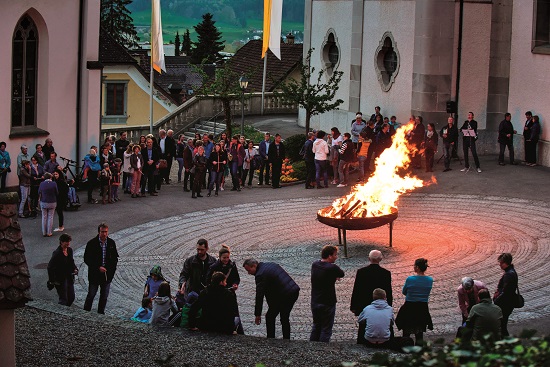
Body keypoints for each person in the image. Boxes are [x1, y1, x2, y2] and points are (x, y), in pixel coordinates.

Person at [243, 258, 300, 339]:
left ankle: (271, 339)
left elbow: (259, 295)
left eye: (248, 270)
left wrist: (258, 314)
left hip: (285, 295)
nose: (248, 273)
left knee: (270, 317)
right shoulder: (270, 264)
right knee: (284, 317)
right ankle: (286, 339)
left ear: (254, 266)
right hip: (292, 291)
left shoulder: (260, 275)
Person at [350, 250, 393, 344]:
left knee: (363, 325)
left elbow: (356, 289)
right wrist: (389, 305)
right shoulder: (386, 273)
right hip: (381, 303)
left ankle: (362, 342)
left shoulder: (361, 272)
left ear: (369, 259)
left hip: (364, 303)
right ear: (381, 259)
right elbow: (388, 291)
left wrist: (353, 306)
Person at [310, 245, 344, 342]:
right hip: (327, 302)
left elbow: (322, 276)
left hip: (315, 301)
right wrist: (334, 276)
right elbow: (341, 274)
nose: (336, 257)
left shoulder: (315, 264)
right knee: (326, 329)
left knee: (316, 326)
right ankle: (322, 350)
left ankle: (311, 347)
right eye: (335, 255)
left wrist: (332, 277)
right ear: (329, 256)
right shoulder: (332, 268)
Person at [395, 258, 433, 345]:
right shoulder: (430, 280)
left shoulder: (410, 279)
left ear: (418, 268)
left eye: (414, 266)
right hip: (422, 307)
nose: (414, 267)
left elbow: (404, 291)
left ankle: (405, 345)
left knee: (406, 328)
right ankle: (419, 347)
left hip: (410, 306)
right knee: (420, 330)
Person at [83, 222, 119, 314]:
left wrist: (111, 273)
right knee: (91, 294)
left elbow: (114, 259)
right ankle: (86, 312)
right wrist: (97, 268)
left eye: (106, 232)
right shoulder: (92, 243)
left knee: (104, 296)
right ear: (99, 232)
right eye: (102, 232)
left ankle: (100, 313)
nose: (104, 234)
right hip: (94, 275)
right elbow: (87, 259)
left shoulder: (111, 243)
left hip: (106, 276)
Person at [47, 233, 78, 306]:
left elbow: (71, 261)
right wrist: (52, 280)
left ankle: (66, 309)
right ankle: (62, 312)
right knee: (63, 299)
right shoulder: (57, 253)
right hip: (60, 279)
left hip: (69, 277)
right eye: (66, 242)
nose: (68, 243)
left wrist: (75, 269)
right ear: (61, 242)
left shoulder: (69, 250)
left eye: (69, 241)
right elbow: (50, 267)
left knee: (71, 297)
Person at [493, 252, 518, 337]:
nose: (500, 265)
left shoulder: (508, 274)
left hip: (505, 304)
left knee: (502, 325)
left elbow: (505, 292)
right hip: (508, 303)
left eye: (501, 263)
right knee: (503, 324)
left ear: (505, 263)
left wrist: (496, 300)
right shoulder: (511, 271)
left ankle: (506, 342)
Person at [38, 172, 58, 237]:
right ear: (50, 177)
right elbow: (57, 192)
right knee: (50, 217)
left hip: (43, 201)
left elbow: (39, 192)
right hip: (52, 201)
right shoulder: (54, 184)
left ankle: (44, 232)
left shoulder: (41, 184)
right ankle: (49, 232)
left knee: (44, 217)